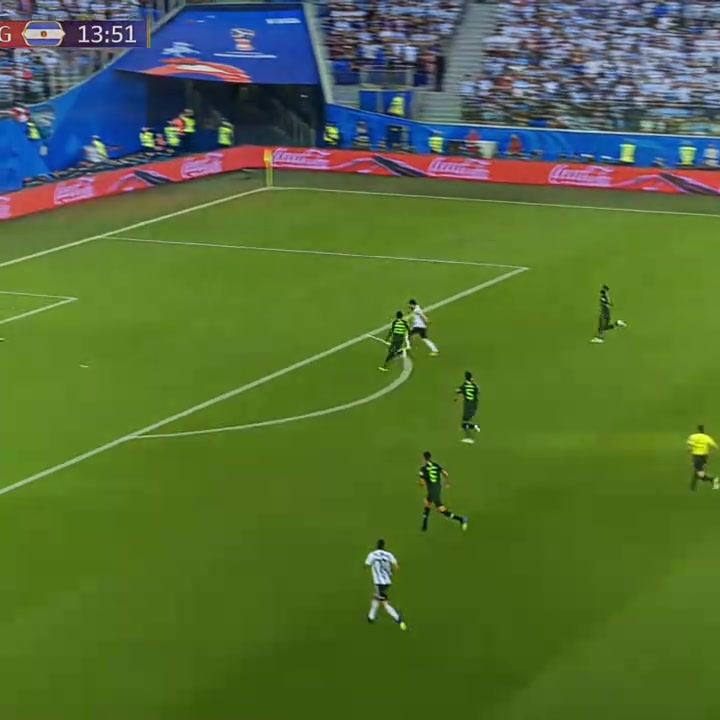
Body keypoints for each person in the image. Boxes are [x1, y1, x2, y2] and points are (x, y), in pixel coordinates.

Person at [418, 452, 468, 532]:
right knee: (427, 504)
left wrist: (420, 483)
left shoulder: (422, 469)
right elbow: (445, 473)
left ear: (424, 459)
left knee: (442, 510)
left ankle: (461, 519)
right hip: (437, 488)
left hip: (432, 491)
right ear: (430, 458)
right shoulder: (436, 465)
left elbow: (423, 483)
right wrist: (446, 482)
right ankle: (424, 526)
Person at [364, 539, 407, 629]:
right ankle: (370, 617)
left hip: (379, 583)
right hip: (387, 582)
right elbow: (396, 567)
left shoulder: (372, 554)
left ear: (376, 545)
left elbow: (366, 565)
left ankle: (398, 618)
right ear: (384, 546)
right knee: (375, 597)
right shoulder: (388, 555)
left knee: (384, 603)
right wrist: (389, 572)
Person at [688, 425, 719, 491]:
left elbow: (690, 447)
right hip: (704, 457)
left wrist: (691, 455)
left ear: (697, 429)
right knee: (697, 471)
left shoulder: (693, 436)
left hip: (696, 456)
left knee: (700, 474)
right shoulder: (706, 437)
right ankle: (692, 487)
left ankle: (713, 479)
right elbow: (714, 445)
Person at [455, 371, 480, 443]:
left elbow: (457, 391)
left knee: (464, 423)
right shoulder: (474, 386)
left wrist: (456, 398)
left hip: (468, 406)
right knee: (465, 423)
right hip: (474, 406)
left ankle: (470, 436)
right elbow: (478, 392)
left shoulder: (464, 386)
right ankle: (473, 429)